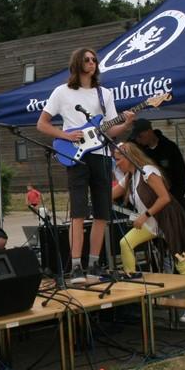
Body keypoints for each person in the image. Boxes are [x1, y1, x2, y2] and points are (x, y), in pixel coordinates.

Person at [36, 47, 134, 279]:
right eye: (87, 59)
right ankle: (76, 265)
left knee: (102, 212)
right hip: (77, 156)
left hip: (102, 155)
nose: (92, 62)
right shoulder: (62, 92)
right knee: (78, 212)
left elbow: (110, 128)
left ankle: (94, 263)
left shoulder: (104, 94)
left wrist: (126, 124)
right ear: (77, 63)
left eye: (94, 60)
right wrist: (66, 135)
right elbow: (42, 124)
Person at [110, 142, 185, 311]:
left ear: (129, 157)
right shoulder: (130, 176)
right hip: (151, 222)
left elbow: (164, 198)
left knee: (180, 261)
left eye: (118, 159)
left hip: (168, 219)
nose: (116, 164)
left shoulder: (147, 171)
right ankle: (132, 284)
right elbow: (112, 194)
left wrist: (144, 216)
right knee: (126, 243)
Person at [130, 118, 185, 202]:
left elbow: (181, 176)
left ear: (149, 131)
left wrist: (176, 198)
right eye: (136, 137)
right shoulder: (140, 151)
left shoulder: (169, 148)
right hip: (149, 200)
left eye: (140, 136)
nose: (138, 140)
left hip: (171, 197)